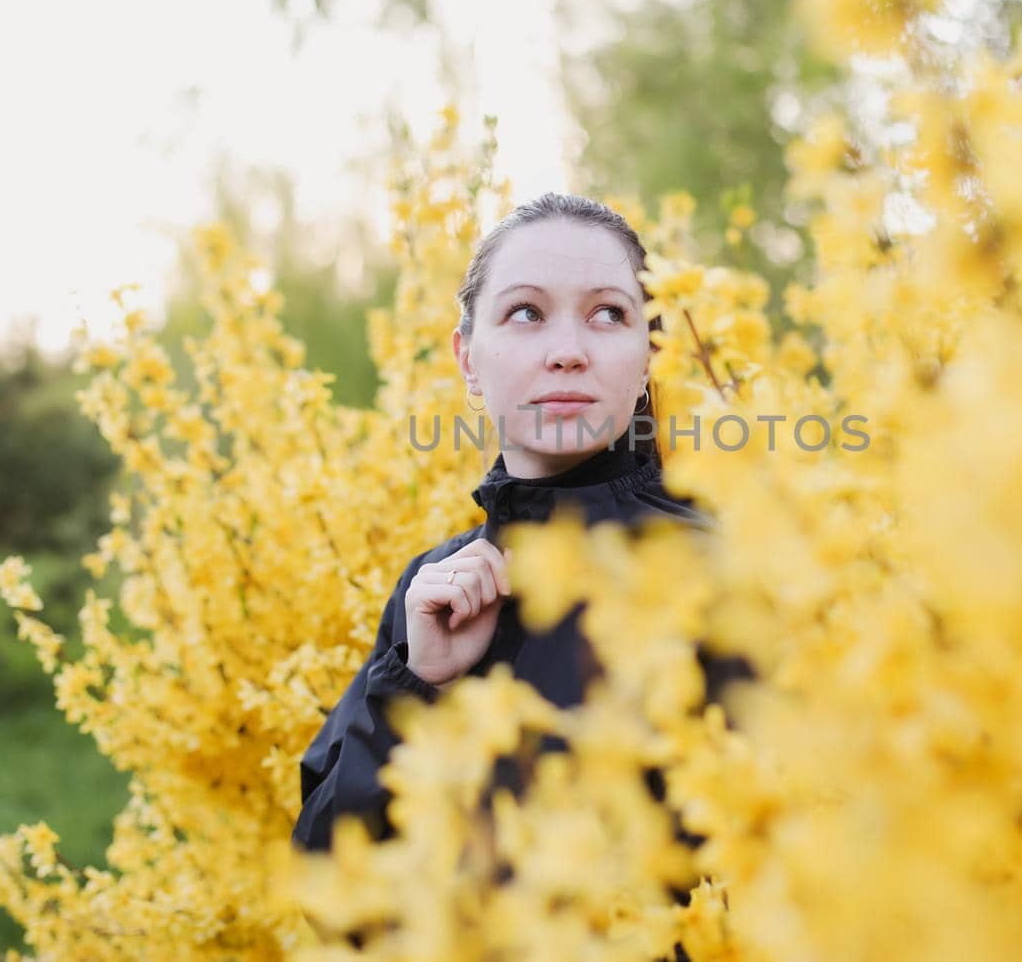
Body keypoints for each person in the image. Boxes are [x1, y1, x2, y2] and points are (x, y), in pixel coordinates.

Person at [292, 193, 752, 874]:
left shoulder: (729, 570)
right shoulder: (435, 592)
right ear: (469, 359)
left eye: (607, 314)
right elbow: (335, 889)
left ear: (648, 354)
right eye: (526, 312)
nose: (567, 351)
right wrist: (418, 687)